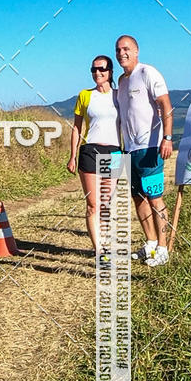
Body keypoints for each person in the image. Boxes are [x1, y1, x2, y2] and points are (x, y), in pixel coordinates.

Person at [115, 36, 173, 267]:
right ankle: (149, 242)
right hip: (129, 150)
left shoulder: (148, 72)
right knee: (137, 197)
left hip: (150, 147)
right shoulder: (121, 81)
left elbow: (166, 105)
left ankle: (162, 247)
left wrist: (167, 138)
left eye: (126, 49)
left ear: (136, 50)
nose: (122, 53)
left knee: (155, 198)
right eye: (118, 50)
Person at [67, 55, 121, 261]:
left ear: (110, 71)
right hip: (91, 151)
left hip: (115, 151)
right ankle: (98, 250)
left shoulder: (119, 95)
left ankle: (105, 244)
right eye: (94, 69)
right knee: (93, 204)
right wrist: (72, 155)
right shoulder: (84, 95)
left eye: (102, 69)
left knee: (106, 203)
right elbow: (77, 127)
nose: (97, 73)